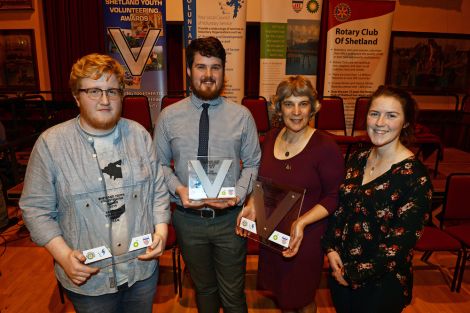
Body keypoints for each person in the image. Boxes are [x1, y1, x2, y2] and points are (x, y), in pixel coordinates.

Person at [19, 53, 170, 313]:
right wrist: (63, 256)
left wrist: (161, 230)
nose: (104, 100)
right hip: (90, 279)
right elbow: (35, 209)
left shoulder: (139, 135)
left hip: (141, 270)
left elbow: (158, 191)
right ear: (77, 97)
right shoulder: (51, 144)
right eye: (94, 91)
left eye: (112, 91)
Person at [155, 36, 261, 313]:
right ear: (189, 71)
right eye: (201, 67)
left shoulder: (242, 116)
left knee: (233, 293)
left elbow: (253, 163)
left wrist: (238, 195)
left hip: (230, 220)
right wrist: (179, 189)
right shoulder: (168, 116)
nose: (209, 75)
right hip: (188, 221)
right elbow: (159, 165)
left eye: (216, 67)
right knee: (204, 290)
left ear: (224, 71)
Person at [322, 85, 433, 313]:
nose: (380, 122)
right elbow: (340, 210)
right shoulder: (358, 159)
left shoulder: (415, 177)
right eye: (375, 113)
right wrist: (331, 250)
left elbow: (399, 246)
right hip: (340, 273)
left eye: (391, 115)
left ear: (406, 123)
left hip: (381, 287)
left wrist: (352, 274)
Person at [238, 76, 344, 313]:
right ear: (279, 107)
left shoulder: (325, 146)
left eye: (303, 103)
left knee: (302, 299)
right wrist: (252, 205)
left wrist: (302, 222)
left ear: (313, 107)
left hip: (304, 237)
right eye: (289, 104)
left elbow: (334, 196)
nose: (296, 112)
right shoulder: (271, 138)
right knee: (282, 295)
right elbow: (262, 182)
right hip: (273, 232)